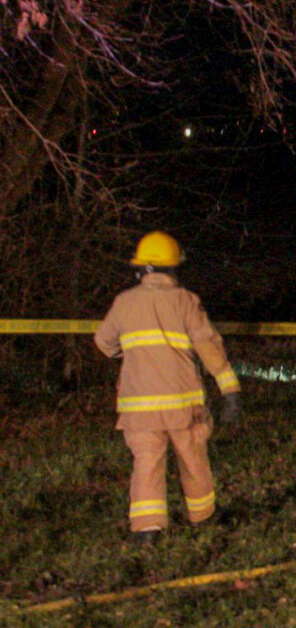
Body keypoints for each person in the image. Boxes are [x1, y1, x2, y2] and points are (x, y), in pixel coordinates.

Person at [93, 231, 242, 543]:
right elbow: (208, 347)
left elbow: (104, 343)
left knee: (146, 463)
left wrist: (132, 352)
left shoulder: (123, 303)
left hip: (139, 408)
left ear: (141, 268)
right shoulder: (185, 301)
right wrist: (230, 390)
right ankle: (203, 517)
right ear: (174, 267)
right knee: (193, 459)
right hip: (182, 405)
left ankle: (147, 530)